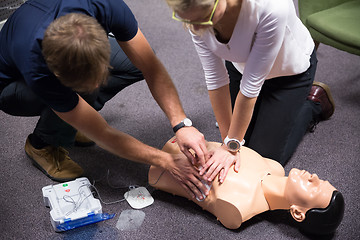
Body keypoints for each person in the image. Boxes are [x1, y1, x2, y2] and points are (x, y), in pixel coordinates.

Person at [0, 0, 210, 200]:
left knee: (137, 60)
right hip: (10, 87)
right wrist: (166, 161)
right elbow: (103, 133)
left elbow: (151, 67)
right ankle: (41, 145)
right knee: (78, 100)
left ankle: (71, 121)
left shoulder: (105, 6)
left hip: (49, 43)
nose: (96, 86)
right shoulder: (37, 66)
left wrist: (181, 123)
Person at [164, 0, 336, 183]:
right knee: (238, 148)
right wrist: (227, 143)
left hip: (288, 76)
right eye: (190, 21)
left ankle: (313, 104)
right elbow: (215, 79)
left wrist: (231, 147)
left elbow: (250, 88)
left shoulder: (271, 7)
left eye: (204, 18)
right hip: (241, 67)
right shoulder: (195, 17)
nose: (197, 27)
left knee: (262, 160)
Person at [149, 137, 345, 235]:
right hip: (184, 137)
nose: (315, 177)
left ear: (297, 213)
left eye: (314, 188)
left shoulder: (239, 207)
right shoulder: (274, 167)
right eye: (321, 180)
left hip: (158, 169)